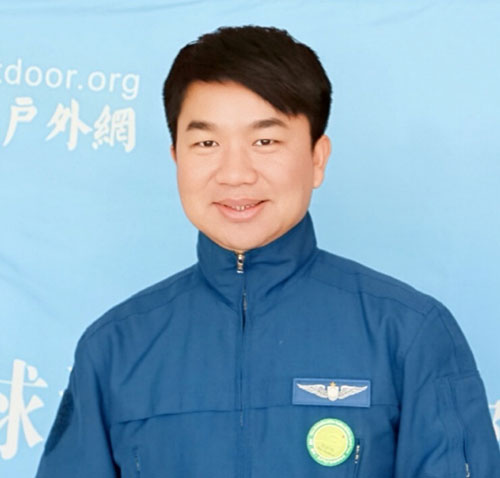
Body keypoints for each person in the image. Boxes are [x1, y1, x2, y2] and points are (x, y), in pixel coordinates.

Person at [35, 25, 500, 477]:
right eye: (207, 142)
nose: (235, 173)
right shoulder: (114, 349)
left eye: (265, 141)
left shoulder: (408, 333)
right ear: (177, 156)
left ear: (317, 158)